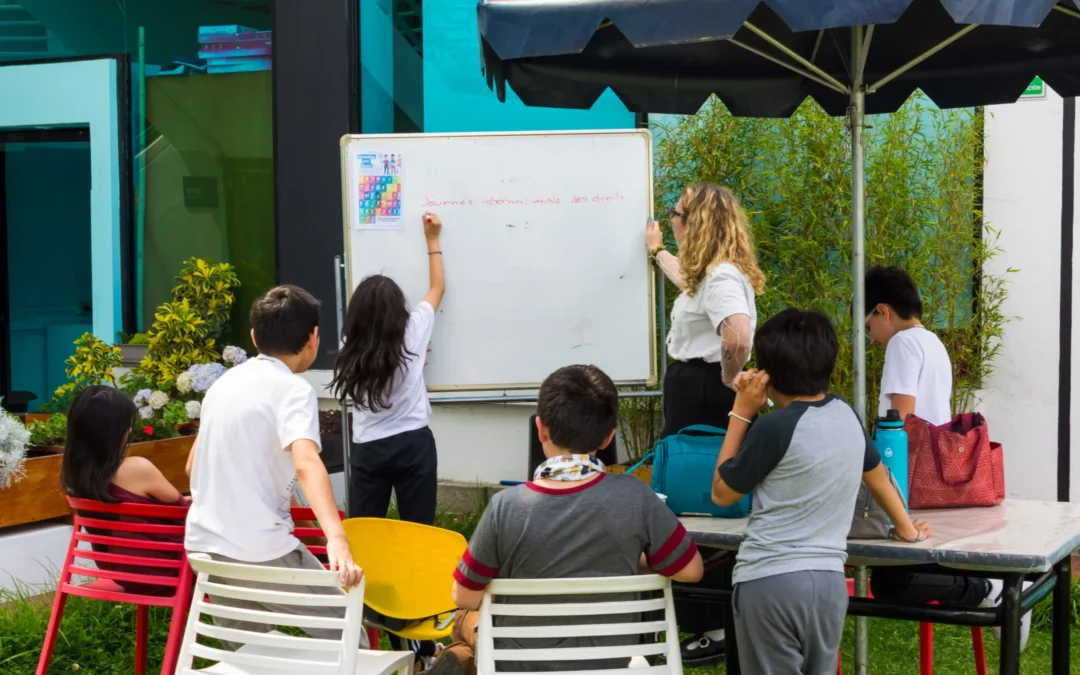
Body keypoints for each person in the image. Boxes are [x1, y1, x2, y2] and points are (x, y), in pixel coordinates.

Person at [429, 365, 705, 675]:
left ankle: (454, 655)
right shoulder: (635, 497)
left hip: (521, 665)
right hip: (610, 664)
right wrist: (630, 558)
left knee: (465, 618)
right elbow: (691, 570)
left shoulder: (506, 507)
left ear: (541, 430)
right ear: (608, 437)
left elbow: (464, 594)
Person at [711, 309, 931, 675]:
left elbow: (722, 492)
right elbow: (878, 476)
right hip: (829, 583)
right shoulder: (845, 414)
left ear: (767, 375)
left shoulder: (774, 428)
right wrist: (906, 529)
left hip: (770, 581)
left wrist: (741, 412)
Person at [184, 284, 365, 648]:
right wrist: (337, 538)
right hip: (260, 548)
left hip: (204, 547)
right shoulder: (293, 390)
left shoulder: (223, 384)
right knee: (349, 638)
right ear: (313, 338)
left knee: (252, 654)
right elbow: (306, 462)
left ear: (254, 335)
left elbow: (192, 467)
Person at [863, 265, 1031, 650]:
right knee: (897, 579)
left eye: (868, 320)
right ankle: (991, 587)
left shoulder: (902, 345)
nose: (869, 333)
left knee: (891, 581)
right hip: (940, 474)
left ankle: (991, 589)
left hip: (910, 478)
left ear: (883, 310)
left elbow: (899, 422)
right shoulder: (933, 342)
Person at [644, 182, 764, 664]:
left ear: (695, 223)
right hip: (701, 389)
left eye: (675, 213)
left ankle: (707, 626)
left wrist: (731, 375)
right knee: (705, 499)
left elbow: (736, 332)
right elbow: (691, 288)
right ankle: (708, 620)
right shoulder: (712, 274)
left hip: (703, 394)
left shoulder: (719, 277)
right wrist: (659, 256)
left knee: (698, 503)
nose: (671, 219)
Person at [333, 211, 445, 526]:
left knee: (366, 532)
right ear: (398, 307)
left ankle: (368, 576)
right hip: (413, 442)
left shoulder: (348, 341)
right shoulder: (414, 327)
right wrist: (432, 240)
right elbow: (437, 287)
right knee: (419, 530)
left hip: (368, 447)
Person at [60, 385, 188, 596]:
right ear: (115, 432)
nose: (129, 431)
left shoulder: (75, 477)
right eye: (126, 425)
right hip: (171, 574)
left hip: (124, 574)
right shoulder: (137, 468)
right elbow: (183, 513)